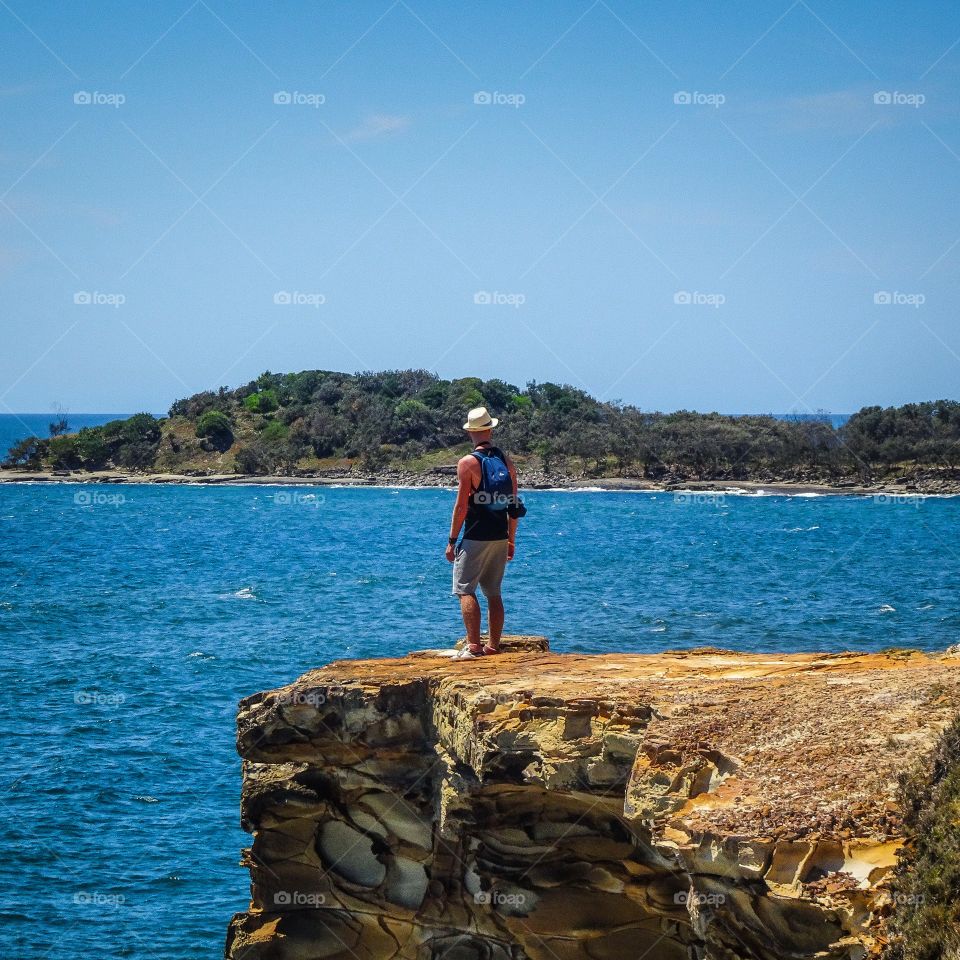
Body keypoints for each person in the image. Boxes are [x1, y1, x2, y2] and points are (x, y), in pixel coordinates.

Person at [445, 406, 519, 658]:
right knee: (494, 592)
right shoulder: (505, 461)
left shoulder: (467, 463)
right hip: (500, 535)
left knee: (465, 589)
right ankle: (493, 646)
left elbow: (461, 506)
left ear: (471, 433)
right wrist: (511, 540)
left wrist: (452, 541)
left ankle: (474, 646)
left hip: (476, 535)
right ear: (490, 429)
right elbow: (514, 505)